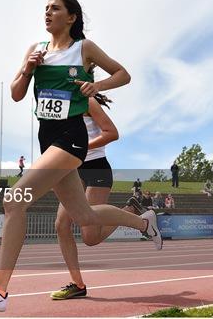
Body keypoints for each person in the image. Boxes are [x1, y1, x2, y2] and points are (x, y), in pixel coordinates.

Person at [0, 0, 161, 312]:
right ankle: (144, 223)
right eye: (45, 9)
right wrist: (26, 69)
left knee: (13, 200)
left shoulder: (83, 49)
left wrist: (97, 86)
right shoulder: (36, 50)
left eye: (55, 8)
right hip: (47, 138)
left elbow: (123, 74)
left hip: (71, 137)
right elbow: (17, 95)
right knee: (85, 217)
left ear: (71, 17)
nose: (48, 13)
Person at [51, 93, 145, 300]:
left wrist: (82, 146)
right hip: (72, 168)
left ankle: (130, 211)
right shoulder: (59, 107)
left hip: (95, 169)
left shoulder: (88, 102)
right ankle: (78, 284)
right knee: (61, 224)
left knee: (90, 238)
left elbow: (112, 133)